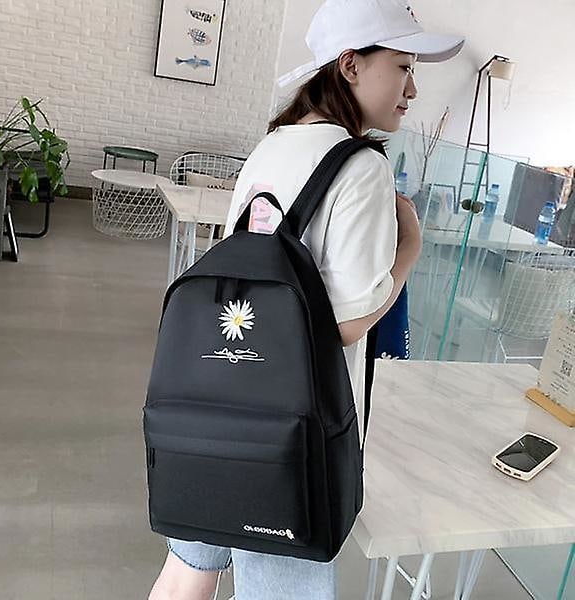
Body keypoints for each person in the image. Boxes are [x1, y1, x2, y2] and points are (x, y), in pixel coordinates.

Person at [148, 1, 464, 598]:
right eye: (403, 67)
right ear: (350, 65)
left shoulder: (272, 145)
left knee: (188, 571)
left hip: (219, 404)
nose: (412, 89)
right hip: (296, 429)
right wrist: (410, 249)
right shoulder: (361, 167)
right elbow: (345, 324)